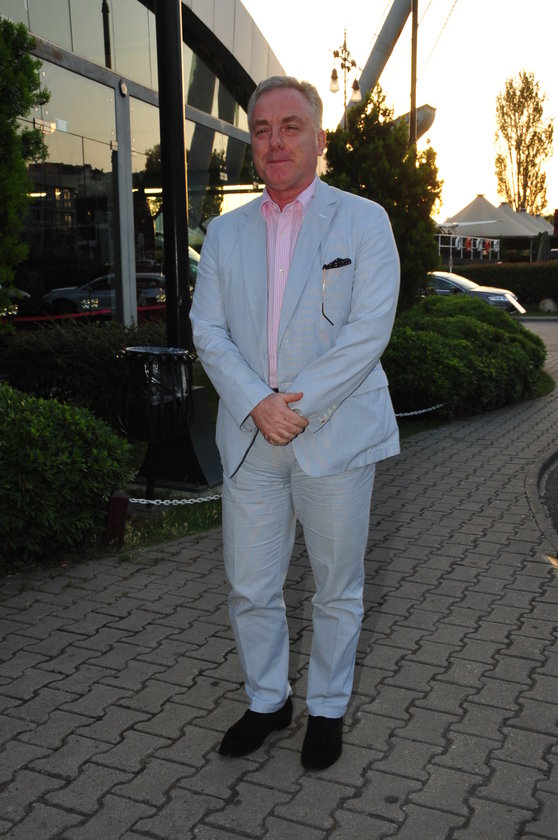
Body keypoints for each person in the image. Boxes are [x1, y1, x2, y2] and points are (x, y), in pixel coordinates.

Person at [190, 75, 400, 771]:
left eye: (290, 127)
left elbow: (368, 331)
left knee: (337, 586)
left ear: (319, 138)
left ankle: (328, 709)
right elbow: (207, 330)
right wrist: (258, 403)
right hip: (251, 437)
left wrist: (295, 408)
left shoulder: (363, 221)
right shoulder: (224, 233)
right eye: (261, 129)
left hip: (334, 435)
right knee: (251, 585)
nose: (274, 141)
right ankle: (268, 700)